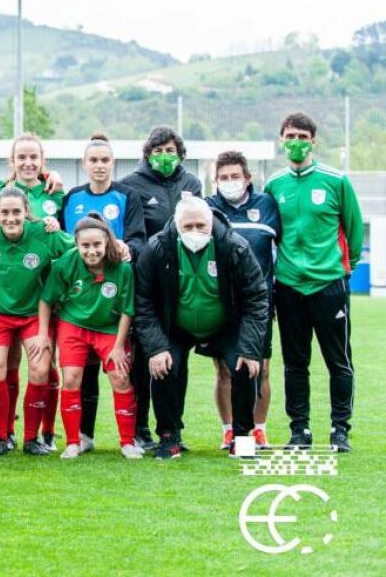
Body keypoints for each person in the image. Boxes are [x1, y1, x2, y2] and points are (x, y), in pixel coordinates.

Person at [134, 197, 269, 460]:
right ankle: (169, 436)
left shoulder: (233, 246)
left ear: (211, 223)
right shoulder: (157, 248)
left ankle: (242, 438)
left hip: (225, 325)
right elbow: (144, 302)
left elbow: (256, 298)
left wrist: (251, 349)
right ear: (176, 223)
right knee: (163, 367)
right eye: (188, 226)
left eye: (201, 226)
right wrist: (156, 347)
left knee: (246, 366)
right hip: (177, 326)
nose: (195, 232)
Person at [264, 112, 362, 452]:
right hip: (289, 287)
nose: (296, 142)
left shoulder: (336, 181)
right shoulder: (274, 185)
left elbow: (354, 226)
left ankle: (340, 429)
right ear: (281, 140)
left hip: (329, 285)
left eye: (302, 137)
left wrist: (342, 269)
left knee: (338, 361)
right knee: (295, 363)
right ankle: (299, 431)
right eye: (290, 135)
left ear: (313, 141)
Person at [60, 133, 146, 452]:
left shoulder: (127, 196)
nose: (99, 165)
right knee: (81, 374)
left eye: (105, 160)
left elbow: (138, 240)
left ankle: (134, 435)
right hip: (79, 299)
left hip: (113, 297)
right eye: (93, 160)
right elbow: (62, 245)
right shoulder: (71, 198)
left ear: (113, 164)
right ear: (84, 164)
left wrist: (126, 248)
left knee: (121, 369)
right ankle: (83, 435)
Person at [120, 125, 202, 450]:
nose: (165, 156)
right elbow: (134, 234)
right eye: (158, 150)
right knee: (142, 361)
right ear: (147, 154)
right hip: (145, 283)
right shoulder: (131, 186)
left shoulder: (192, 184)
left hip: (181, 287)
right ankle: (139, 427)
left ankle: (173, 428)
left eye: (171, 151)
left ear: (180, 154)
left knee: (177, 360)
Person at [0, 187, 74, 456]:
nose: (11, 218)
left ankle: (32, 439)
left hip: (33, 314)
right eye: (5, 212)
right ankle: (1, 437)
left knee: (41, 369)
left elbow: (80, 248)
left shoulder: (44, 233)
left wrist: (118, 249)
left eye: (16, 212)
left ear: (26, 213)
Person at [38, 215, 142, 460]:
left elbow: (127, 310)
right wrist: (43, 333)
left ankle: (127, 442)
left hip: (109, 329)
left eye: (97, 245)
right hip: (73, 325)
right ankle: (74, 442)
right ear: (76, 244)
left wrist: (119, 347)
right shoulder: (65, 263)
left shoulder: (122, 268)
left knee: (121, 377)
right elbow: (46, 299)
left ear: (107, 242)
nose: (92, 251)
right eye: (85, 245)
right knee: (72, 379)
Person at [207, 150, 279, 450]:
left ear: (248, 178)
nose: (230, 182)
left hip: (258, 304)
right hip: (220, 305)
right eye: (223, 177)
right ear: (215, 181)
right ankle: (229, 429)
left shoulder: (267, 206)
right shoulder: (207, 208)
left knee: (259, 368)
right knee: (225, 369)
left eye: (235, 176)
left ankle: (257, 429)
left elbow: (281, 246)